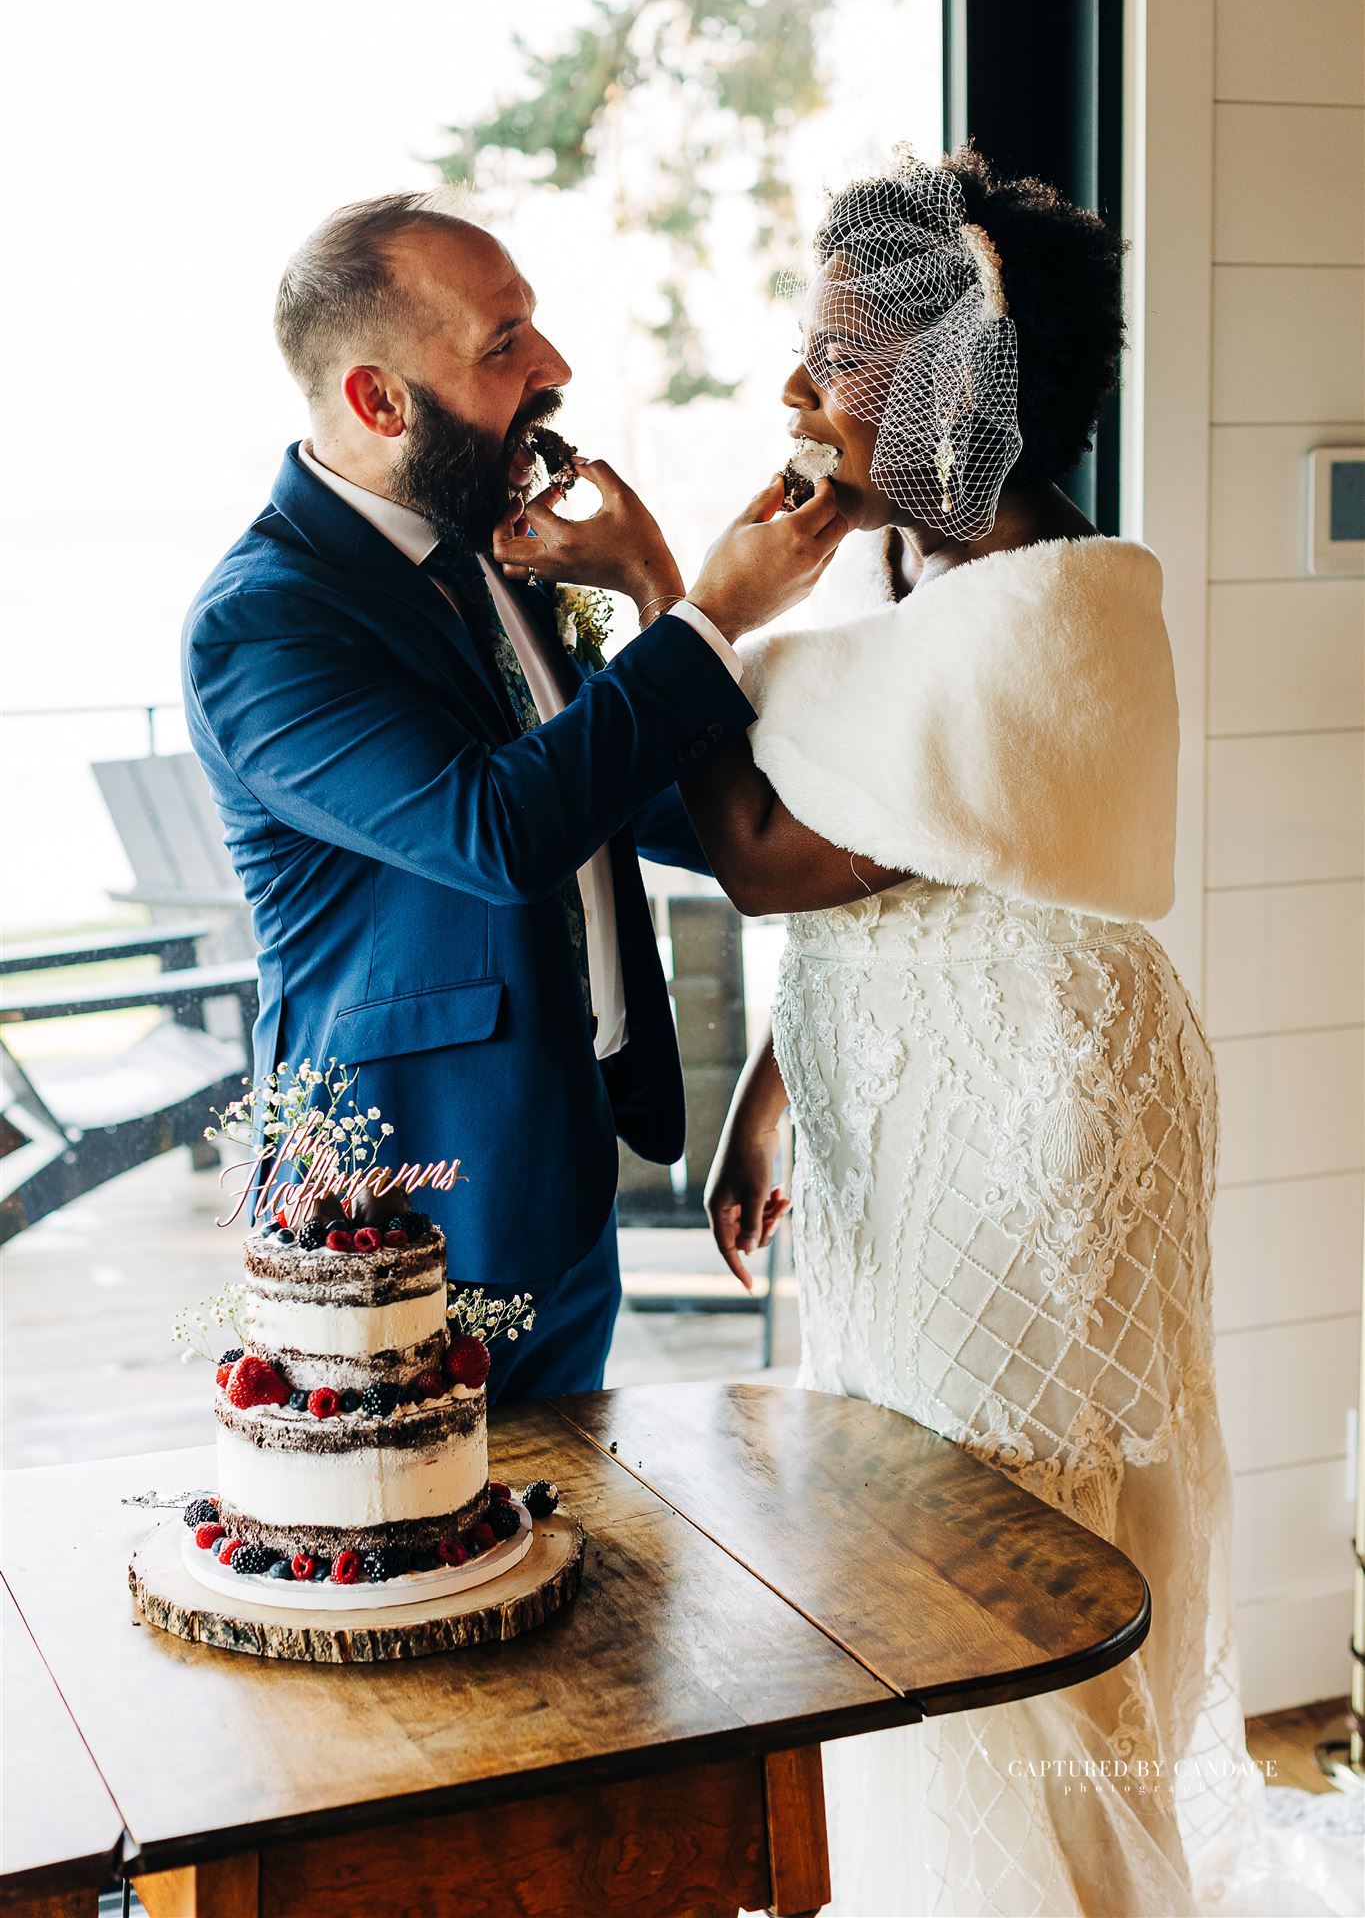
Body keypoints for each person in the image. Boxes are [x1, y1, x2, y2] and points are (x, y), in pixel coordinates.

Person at [677, 148, 1363, 1914]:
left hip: (1033, 1118)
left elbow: (766, 852)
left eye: (840, 350)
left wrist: (665, 596)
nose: (798, 384)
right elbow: (880, 861)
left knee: (1005, 1537)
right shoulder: (901, 573)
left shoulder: (1063, 600)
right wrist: (772, 1088)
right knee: (904, 1526)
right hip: (913, 1101)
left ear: (954, 377)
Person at [182, 190, 851, 1404]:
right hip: (401, 1204)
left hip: (564, 1167)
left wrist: (866, 813)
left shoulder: (500, 558)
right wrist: (707, 614)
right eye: (504, 343)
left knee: (569, 1515)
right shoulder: (263, 622)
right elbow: (499, 830)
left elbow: (626, 796)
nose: (555, 366)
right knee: (418, 1522)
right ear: (379, 401)